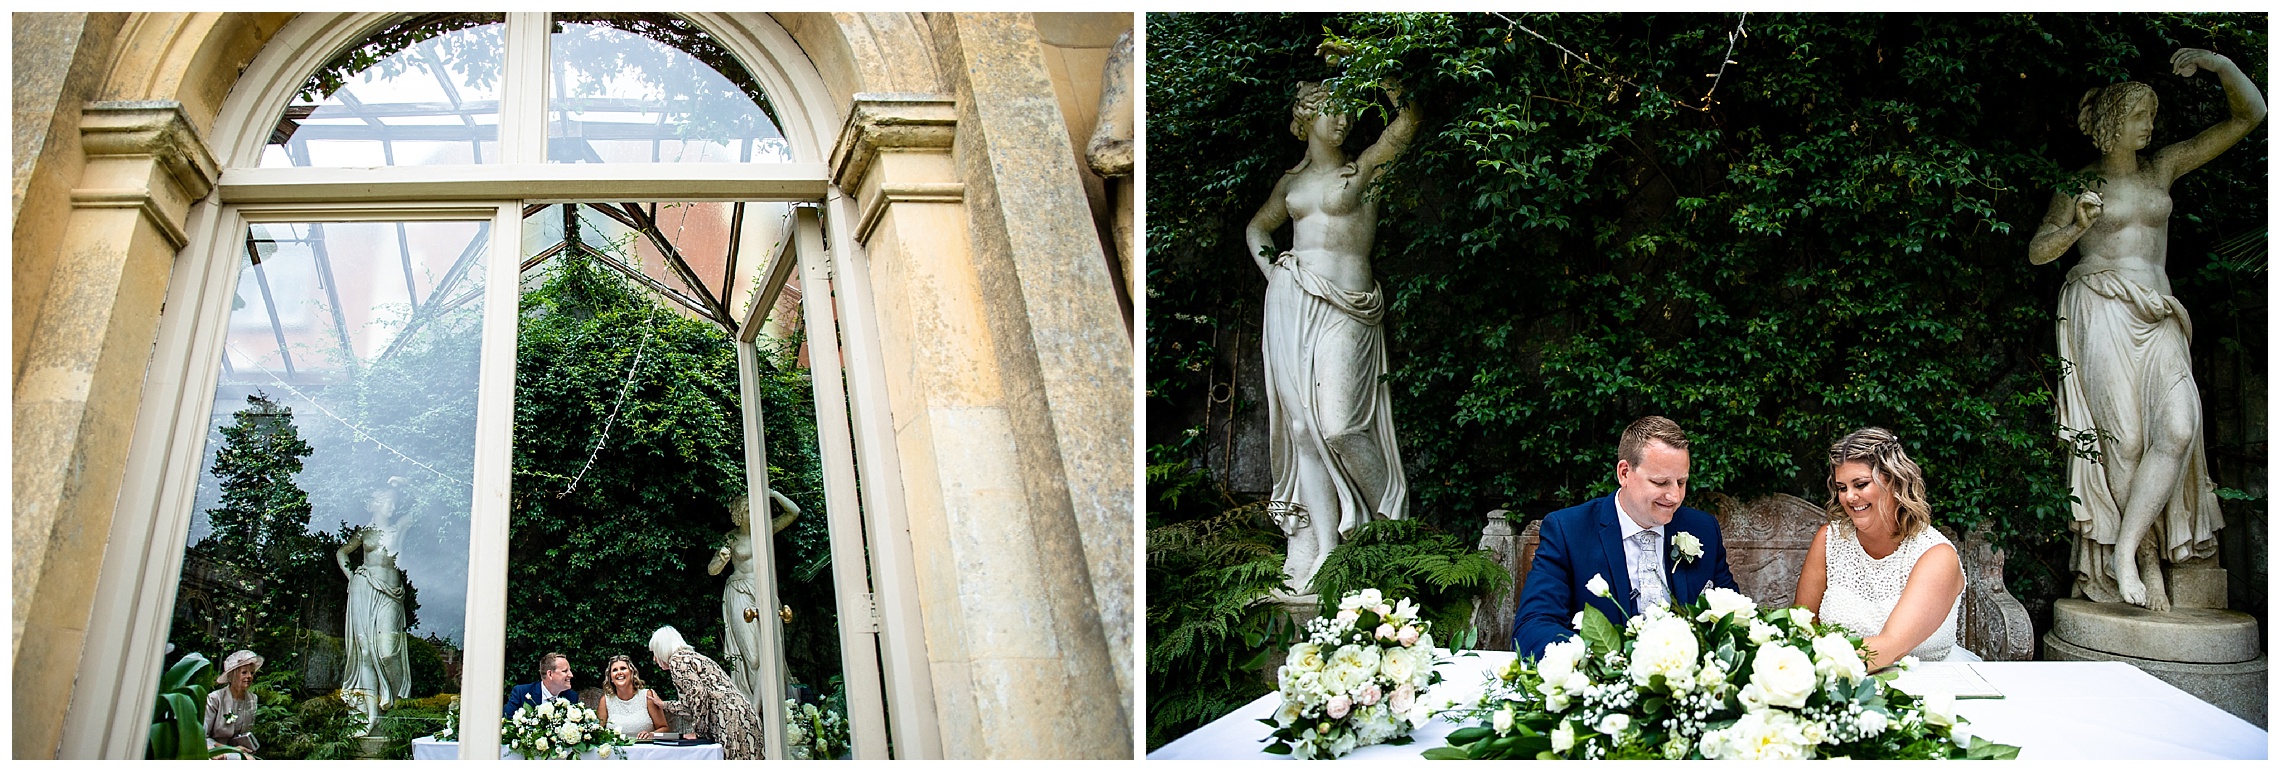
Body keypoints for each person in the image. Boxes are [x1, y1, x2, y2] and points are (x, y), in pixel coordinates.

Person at [2027, 48, 2262, 612]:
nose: (2149, 126)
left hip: (2157, 313)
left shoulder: (2163, 167)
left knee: (2178, 428)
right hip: (2100, 305)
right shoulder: (2078, 184)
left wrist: (2217, 63)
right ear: (2112, 121)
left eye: (2150, 117)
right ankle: (2139, 563)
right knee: (2124, 443)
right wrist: (2075, 226)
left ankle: (2128, 548)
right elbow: (2039, 252)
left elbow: (2248, 116)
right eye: (2139, 116)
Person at [1246, 59, 1423, 593]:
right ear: (1306, 119)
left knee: (1341, 425)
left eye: (1347, 110)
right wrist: (1272, 269)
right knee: (1302, 430)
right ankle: (1320, 552)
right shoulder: (1292, 183)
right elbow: (1258, 228)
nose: (1342, 120)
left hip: (1349, 305)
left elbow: (1409, 122)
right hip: (1293, 302)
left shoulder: (1363, 170)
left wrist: (1387, 75)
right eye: (1331, 111)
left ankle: (1391, 530)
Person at [1511, 416, 1738, 660]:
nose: (1674, 496)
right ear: (1625, 473)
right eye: (1660, 482)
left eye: (1681, 482)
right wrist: (1599, 665)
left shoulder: (1702, 529)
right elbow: (1534, 625)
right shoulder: (1568, 530)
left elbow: (1733, 615)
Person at [1793, 428, 1970, 666]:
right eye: (1842, 488)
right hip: (1843, 689)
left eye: (1861, 484)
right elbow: (1802, 626)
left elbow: (1889, 646)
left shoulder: (1936, 555)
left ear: (1895, 482)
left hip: (1932, 687)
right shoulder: (1828, 541)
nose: (1850, 497)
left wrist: (1816, 672)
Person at [709, 490, 801, 703]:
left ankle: (768, 708)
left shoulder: (765, 530)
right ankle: (754, 708)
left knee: (770, 649)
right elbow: (712, 570)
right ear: (739, 514)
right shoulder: (731, 538)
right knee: (752, 655)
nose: (754, 514)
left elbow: (794, 512)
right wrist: (721, 560)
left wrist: (773, 493)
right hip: (739, 593)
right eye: (749, 510)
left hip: (763, 593)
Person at [338, 477, 416, 731]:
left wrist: (401, 485)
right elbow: (342, 552)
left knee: (386, 651)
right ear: (376, 504)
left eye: (394, 504)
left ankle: (394, 704)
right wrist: (351, 576)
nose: (392, 509)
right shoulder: (364, 531)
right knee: (366, 654)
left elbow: (399, 560)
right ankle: (371, 716)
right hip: (364, 589)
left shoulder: (399, 526)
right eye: (389, 503)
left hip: (389, 592)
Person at [647, 625, 764, 760]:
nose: (654, 659)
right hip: (741, 715)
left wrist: (698, 732)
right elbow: (692, 703)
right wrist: (663, 704)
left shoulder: (677, 661)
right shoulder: (692, 657)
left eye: (654, 653)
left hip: (728, 720)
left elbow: (698, 696)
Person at [204, 649, 264, 759]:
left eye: (252, 673)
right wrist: (230, 751)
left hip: (238, 751)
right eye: (244, 672)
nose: (249, 676)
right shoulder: (215, 698)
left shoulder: (252, 699)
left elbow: (245, 733)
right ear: (233, 675)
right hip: (213, 751)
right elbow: (202, 737)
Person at [598, 654, 670, 740]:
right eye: (614, 670)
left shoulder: (648, 696)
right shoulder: (605, 701)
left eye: (623, 668)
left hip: (646, 750)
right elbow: (598, 733)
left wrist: (651, 735)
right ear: (611, 678)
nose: (619, 672)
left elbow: (665, 730)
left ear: (632, 673)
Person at [503, 652, 578, 719]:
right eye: (565, 671)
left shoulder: (571, 697)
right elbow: (505, 722)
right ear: (550, 674)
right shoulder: (521, 693)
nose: (571, 675)